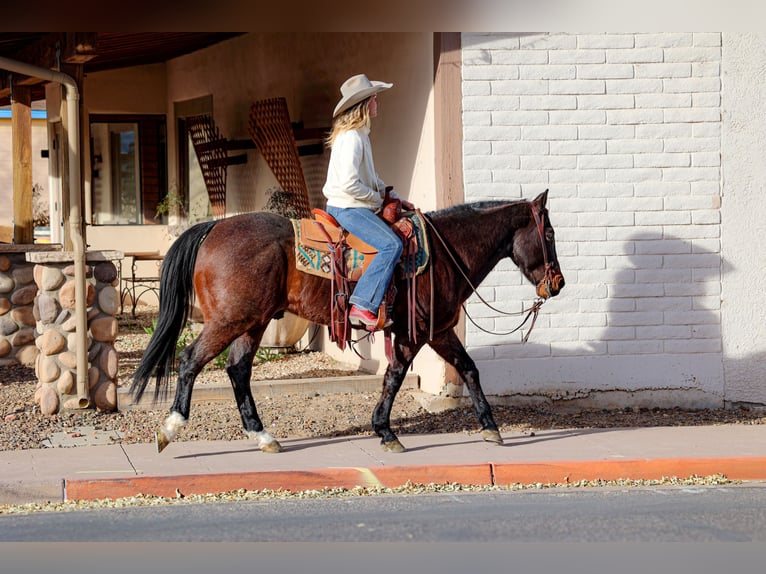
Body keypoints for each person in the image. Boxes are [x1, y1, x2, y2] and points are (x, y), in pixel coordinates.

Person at [322, 73, 414, 330]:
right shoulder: (352, 138)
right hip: (347, 207)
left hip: (352, 204)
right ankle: (363, 305)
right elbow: (350, 184)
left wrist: (394, 197)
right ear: (364, 105)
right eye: (374, 99)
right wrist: (377, 201)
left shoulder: (359, 135)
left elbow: (372, 178)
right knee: (391, 245)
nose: (378, 103)